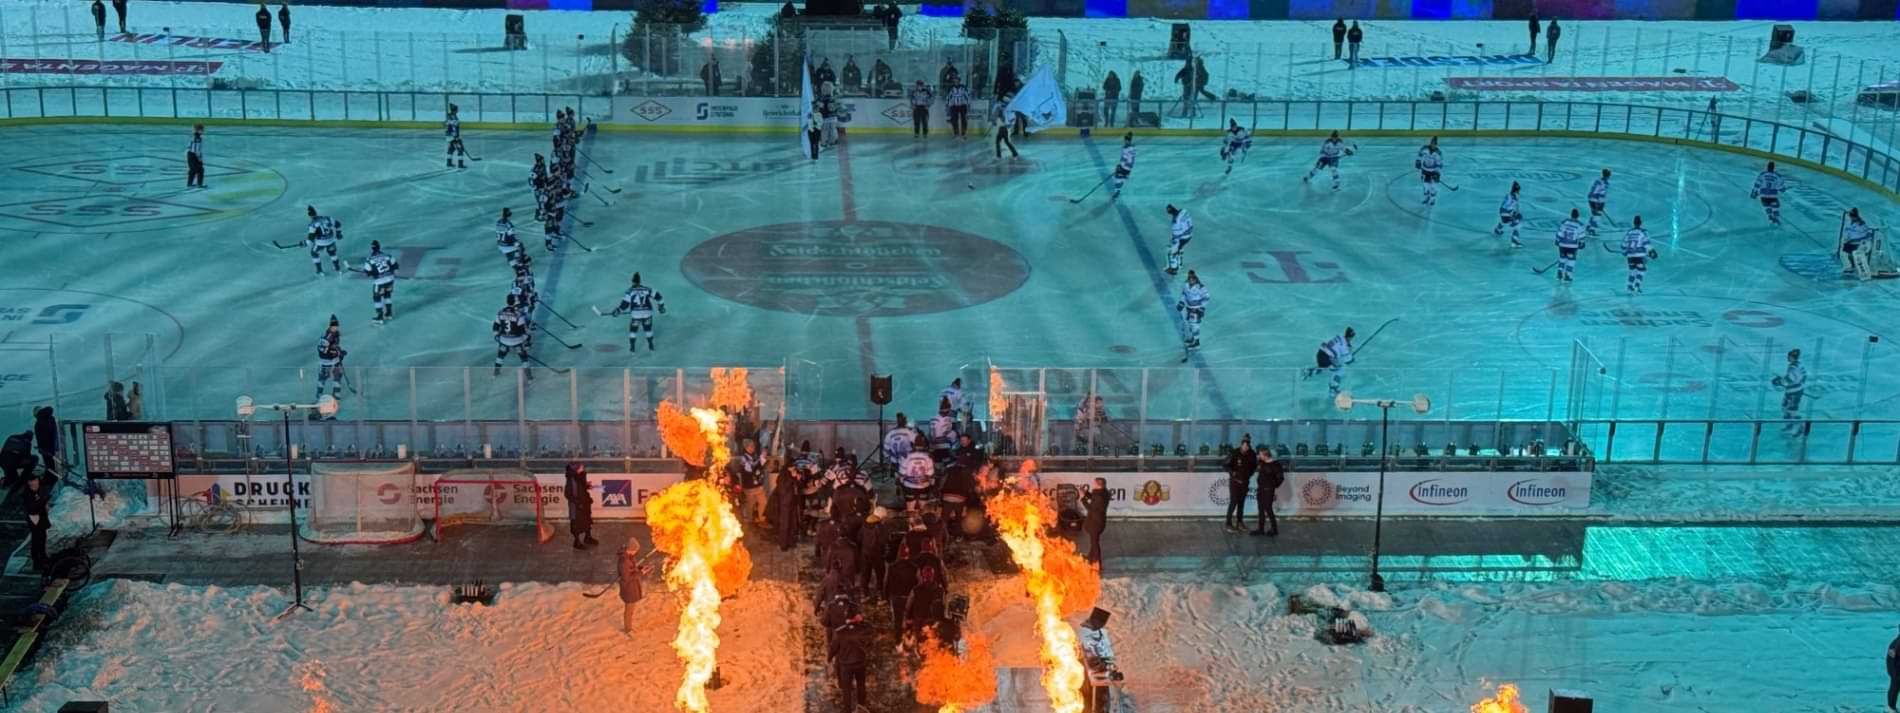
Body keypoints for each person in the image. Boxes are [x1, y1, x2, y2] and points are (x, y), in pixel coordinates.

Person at [1078, 607, 1120, 713]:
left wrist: (1110, 669)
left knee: (1094, 702)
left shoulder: (1093, 635)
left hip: (1094, 680)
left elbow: (1104, 658)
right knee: (1092, 702)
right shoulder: (1089, 636)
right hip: (1092, 680)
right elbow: (1095, 663)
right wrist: (1108, 672)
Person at [828, 613, 873, 710]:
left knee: (846, 688)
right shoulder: (863, 630)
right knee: (861, 684)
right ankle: (861, 705)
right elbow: (871, 629)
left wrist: (829, 659)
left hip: (846, 665)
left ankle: (847, 709)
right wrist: (862, 621)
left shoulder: (839, 632)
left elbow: (833, 648)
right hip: (860, 662)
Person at [1223, 436, 1256, 532]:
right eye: (1244, 445)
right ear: (1241, 444)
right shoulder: (1234, 452)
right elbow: (1225, 465)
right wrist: (1232, 473)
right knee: (1233, 502)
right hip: (1235, 482)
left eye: (1247, 445)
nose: (1246, 447)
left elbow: (1254, 466)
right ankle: (1228, 523)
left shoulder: (1252, 454)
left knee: (1241, 503)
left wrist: (1249, 474)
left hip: (1245, 482)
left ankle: (1240, 522)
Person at [618, 539, 651, 633]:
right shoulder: (624, 561)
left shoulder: (629, 556)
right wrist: (641, 573)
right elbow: (627, 578)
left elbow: (632, 568)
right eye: (635, 550)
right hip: (628, 588)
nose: (636, 552)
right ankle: (627, 629)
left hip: (632, 586)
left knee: (631, 608)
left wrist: (641, 568)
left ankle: (628, 627)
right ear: (630, 549)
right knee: (629, 609)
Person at [733, 438, 767, 526]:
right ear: (746, 448)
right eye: (750, 446)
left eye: (753, 446)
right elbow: (751, 469)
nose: (753, 448)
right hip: (749, 487)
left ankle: (761, 519)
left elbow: (759, 466)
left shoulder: (754, 456)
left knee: (763, 502)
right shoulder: (744, 459)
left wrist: (762, 458)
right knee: (750, 505)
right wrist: (761, 459)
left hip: (758, 485)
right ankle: (748, 521)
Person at [1773, 349, 1807, 434]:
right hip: (1794, 390)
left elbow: (1790, 379)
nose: (1787, 358)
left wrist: (1779, 381)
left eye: (1789, 356)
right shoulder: (1800, 365)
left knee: (1791, 410)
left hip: (1793, 392)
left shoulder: (1792, 367)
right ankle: (1789, 425)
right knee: (1785, 407)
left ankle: (1801, 426)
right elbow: (1804, 376)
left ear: (1792, 357)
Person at [565, 462, 597, 549]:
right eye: (581, 468)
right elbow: (568, 494)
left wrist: (587, 486)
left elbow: (581, 488)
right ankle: (577, 541)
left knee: (587, 520)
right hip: (576, 506)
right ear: (576, 469)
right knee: (577, 523)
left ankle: (588, 537)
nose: (583, 469)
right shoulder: (571, 479)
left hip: (584, 503)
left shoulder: (580, 477)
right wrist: (578, 503)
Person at [23, 475, 50, 573]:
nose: (33, 484)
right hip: (33, 519)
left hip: (42, 517)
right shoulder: (27, 494)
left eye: (34, 481)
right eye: (31, 482)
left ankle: (43, 556)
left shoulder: (41, 489)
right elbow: (31, 509)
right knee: (36, 539)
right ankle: (36, 561)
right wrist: (41, 502)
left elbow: (45, 498)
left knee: (43, 537)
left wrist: (42, 502)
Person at [1318, 327, 1356, 398]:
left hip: (1321, 354)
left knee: (1330, 367)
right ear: (1350, 337)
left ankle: (1311, 371)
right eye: (1352, 337)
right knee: (1340, 370)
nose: (1352, 339)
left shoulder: (1340, 336)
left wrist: (1348, 347)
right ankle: (1333, 390)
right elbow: (1348, 360)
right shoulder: (1344, 347)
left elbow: (1339, 346)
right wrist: (1351, 358)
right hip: (1326, 358)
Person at [1253, 447, 1282, 536]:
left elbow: (1280, 478)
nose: (1259, 456)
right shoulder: (1262, 462)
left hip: (1268, 490)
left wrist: (1273, 486)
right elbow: (1255, 462)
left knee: (1268, 509)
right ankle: (1261, 529)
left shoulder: (1275, 465)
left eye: (1261, 454)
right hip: (1261, 489)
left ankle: (1274, 529)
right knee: (1261, 509)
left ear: (1265, 455)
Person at [1621, 215, 1653, 295]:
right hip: (1639, 255)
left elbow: (1623, 244)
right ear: (1641, 223)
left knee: (1632, 270)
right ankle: (1637, 286)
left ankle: (1629, 286)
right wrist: (1651, 252)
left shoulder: (1629, 232)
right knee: (1642, 270)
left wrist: (1624, 252)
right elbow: (1646, 243)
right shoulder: (1643, 232)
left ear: (1633, 223)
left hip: (1630, 256)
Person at [1843, 208, 1877, 280]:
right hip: (1855, 243)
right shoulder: (1852, 224)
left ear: (1853, 216)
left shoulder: (1861, 224)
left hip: (1863, 244)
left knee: (1856, 254)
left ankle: (1863, 271)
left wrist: (1851, 239)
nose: (1850, 218)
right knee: (1849, 253)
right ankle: (1853, 266)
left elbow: (1864, 235)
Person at [1751, 161, 1785, 227]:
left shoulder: (1762, 174)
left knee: (1767, 207)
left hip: (1763, 195)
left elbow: (1757, 184)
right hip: (1773, 196)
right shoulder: (1778, 176)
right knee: (1776, 207)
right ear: (1774, 168)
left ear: (1767, 167)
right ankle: (1776, 219)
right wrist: (1783, 189)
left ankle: (1770, 218)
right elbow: (1780, 188)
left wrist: (1753, 192)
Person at [1084, 477, 1109, 565]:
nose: (1092, 484)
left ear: (1098, 485)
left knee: (1094, 543)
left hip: (1095, 522)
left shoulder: (1099, 496)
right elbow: (1094, 499)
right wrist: (1086, 493)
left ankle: (1098, 563)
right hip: (1099, 521)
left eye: (1094, 483)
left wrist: (1083, 500)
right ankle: (1090, 557)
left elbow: (1091, 508)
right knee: (1093, 541)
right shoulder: (1103, 492)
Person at [1493, 181, 1525, 249]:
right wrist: (1512, 216)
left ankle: (1497, 230)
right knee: (1518, 225)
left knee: (1504, 221)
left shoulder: (1509, 195)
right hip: (1507, 213)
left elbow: (1509, 206)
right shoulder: (1514, 197)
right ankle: (1514, 242)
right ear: (1517, 190)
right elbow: (1513, 207)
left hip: (1503, 212)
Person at [33, 407, 59, 477]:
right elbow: (53, 432)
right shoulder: (51, 418)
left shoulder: (39, 422)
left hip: (45, 448)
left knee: (49, 464)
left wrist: (40, 448)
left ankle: (52, 477)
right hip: (53, 444)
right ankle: (54, 475)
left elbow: (40, 437)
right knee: (54, 462)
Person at [185, 123, 205, 188]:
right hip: (193, 155)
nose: (203, 131)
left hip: (189, 154)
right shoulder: (197, 138)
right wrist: (199, 158)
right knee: (200, 170)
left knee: (192, 170)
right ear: (199, 130)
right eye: (202, 130)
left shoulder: (193, 136)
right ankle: (199, 184)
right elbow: (196, 149)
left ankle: (189, 183)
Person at [1886, 624, 1900, 712]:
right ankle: (1891, 708)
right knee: (1894, 690)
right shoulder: (1896, 643)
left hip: (1896, 673)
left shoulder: (1895, 642)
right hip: (1897, 673)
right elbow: (1890, 661)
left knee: (1894, 689)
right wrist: (1894, 675)